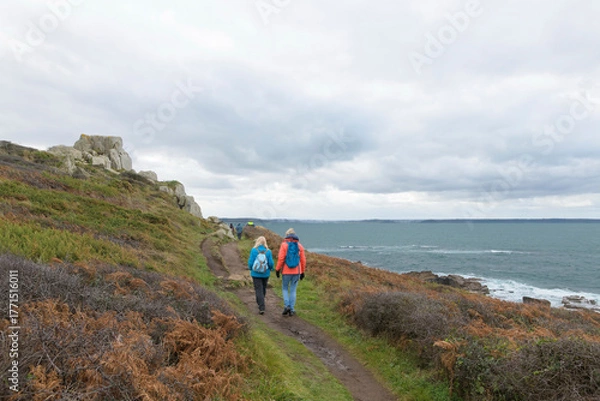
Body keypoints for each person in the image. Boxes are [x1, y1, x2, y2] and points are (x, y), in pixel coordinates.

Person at [275, 228, 306, 316]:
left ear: (286, 235)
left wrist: (277, 269)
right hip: (297, 271)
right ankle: (292, 309)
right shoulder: (300, 246)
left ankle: (286, 306)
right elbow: (303, 260)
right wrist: (302, 271)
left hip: (286, 271)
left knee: (285, 288)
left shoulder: (284, 245)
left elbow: (281, 259)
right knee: (293, 290)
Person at [247, 236, 275, 314]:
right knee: (263, 288)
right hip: (265, 273)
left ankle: (261, 306)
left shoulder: (253, 250)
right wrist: (271, 268)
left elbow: (251, 261)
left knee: (258, 289)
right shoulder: (268, 251)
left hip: (255, 274)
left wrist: (250, 268)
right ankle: (261, 301)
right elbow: (271, 263)